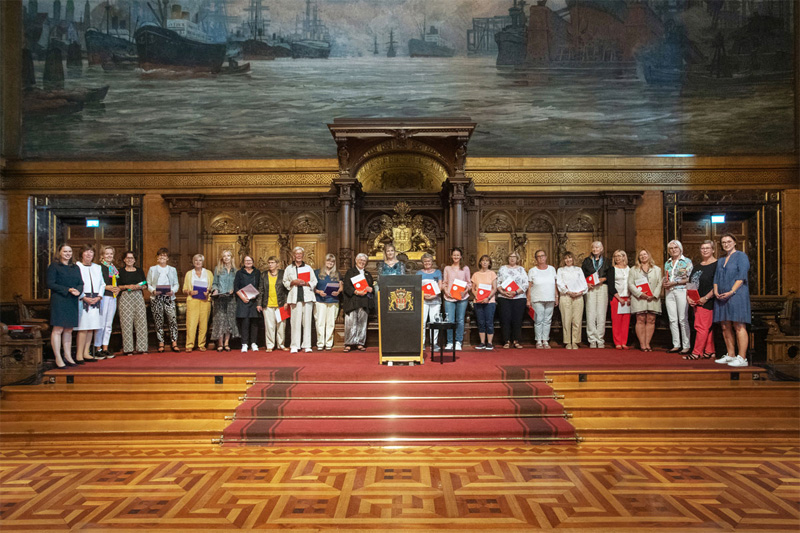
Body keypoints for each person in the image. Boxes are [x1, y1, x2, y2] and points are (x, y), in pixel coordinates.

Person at [713, 233, 751, 367]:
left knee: (739, 325)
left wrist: (731, 291)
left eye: (729, 241)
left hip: (737, 295)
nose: (726, 244)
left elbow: (741, 277)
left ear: (735, 242)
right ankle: (731, 355)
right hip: (722, 297)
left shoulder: (741, 256)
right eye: (723, 242)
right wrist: (716, 291)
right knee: (724, 325)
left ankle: (742, 358)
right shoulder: (721, 260)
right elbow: (716, 278)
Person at [46, 244, 83, 367]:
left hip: (72, 300)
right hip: (60, 299)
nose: (68, 253)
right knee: (58, 329)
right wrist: (67, 289)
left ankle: (68, 356)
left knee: (69, 329)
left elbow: (80, 283)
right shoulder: (54, 266)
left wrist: (78, 291)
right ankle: (58, 358)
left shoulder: (75, 267)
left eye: (70, 251)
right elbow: (50, 283)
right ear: (60, 253)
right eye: (65, 251)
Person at [686, 240, 717, 360]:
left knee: (701, 327)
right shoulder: (697, 266)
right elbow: (691, 284)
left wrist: (706, 298)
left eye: (707, 248)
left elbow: (717, 284)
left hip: (708, 301)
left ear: (713, 250)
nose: (704, 250)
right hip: (696, 301)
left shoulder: (716, 265)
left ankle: (696, 353)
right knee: (706, 327)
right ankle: (709, 351)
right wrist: (688, 297)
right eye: (702, 248)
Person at [283, 246, 318, 353]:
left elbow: (314, 281)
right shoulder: (289, 268)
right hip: (294, 298)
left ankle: (307, 345)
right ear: (293, 256)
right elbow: (285, 282)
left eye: (300, 254)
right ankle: (294, 345)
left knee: (307, 322)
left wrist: (306, 283)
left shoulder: (308, 268)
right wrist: (293, 282)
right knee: (295, 322)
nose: (298, 256)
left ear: (303, 255)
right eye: (296, 254)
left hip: (307, 297)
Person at [75, 245, 105, 363]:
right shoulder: (77, 266)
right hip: (83, 300)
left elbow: (102, 283)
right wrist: (83, 297)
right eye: (86, 252)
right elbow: (76, 283)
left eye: (91, 252)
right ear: (82, 254)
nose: (89, 254)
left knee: (92, 327)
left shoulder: (97, 267)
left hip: (95, 300)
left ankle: (86, 352)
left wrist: (99, 296)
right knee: (83, 328)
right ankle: (79, 354)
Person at [628, 249, 663, 352]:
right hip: (639, 298)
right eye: (641, 255)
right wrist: (640, 294)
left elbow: (659, 283)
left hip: (653, 298)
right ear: (638, 257)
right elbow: (630, 284)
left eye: (645, 254)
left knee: (651, 320)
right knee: (640, 319)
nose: (643, 256)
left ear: (649, 255)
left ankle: (648, 343)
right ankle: (642, 344)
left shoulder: (657, 269)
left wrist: (654, 295)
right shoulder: (633, 269)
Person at [147, 247, 180, 352]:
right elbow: (148, 283)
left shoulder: (172, 269)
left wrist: (173, 291)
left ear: (167, 258)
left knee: (172, 320)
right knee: (158, 321)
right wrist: (153, 291)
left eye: (164, 255)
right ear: (157, 258)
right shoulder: (152, 269)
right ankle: (161, 342)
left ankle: (174, 342)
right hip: (156, 297)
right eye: (160, 255)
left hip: (169, 297)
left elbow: (176, 284)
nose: (162, 257)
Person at [663, 240, 693, 354]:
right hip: (669, 292)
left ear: (680, 248)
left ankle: (686, 345)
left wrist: (675, 283)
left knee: (682, 319)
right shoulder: (668, 262)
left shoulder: (687, 262)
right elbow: (667, 276)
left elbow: (690, 279)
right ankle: (676, 344)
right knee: (672, 319)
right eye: (671, 248)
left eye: (675, 247)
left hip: (681, 290)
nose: (673, 250)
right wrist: (665, 283)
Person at [117, 251, 148, 355]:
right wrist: (127, 286)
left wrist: (140, 286)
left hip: (138, 296)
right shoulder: (120, 272)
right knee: (126, 323)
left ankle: (142, 347)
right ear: (124, 260)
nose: (130, 260)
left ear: (135, 260)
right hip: (125, 297)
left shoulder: (139, 271)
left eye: (132, 258)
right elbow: (117, 286)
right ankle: (128, 349)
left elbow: (145, 283)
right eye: (127, 258)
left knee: (141, 322)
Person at [496, 251, 529, 349]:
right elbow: (498, 283)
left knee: (517, 320)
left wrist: (516, 292)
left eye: (514, 257)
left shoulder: (521, 269)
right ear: (508, 258)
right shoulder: (502, 269)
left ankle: (516, 340)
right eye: (510, 257)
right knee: (505, 319)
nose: (512, 259)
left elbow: (525, 284)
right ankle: (506, 341)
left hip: (518, 298)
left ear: (517, 258)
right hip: (504, 298)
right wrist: (503, 292)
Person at [342, 253, 374, 352]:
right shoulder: (350, 272)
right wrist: (355, 291)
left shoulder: (368, 274)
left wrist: (370, 289)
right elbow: (346, 286)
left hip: (364, 301)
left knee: (362, 323)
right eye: (360, 260)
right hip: (352, 300)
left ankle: (360, 343)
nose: (362, 262)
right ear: (356, 260)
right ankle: (349, 343)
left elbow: (371, 287)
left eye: (364, 261)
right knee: (350, 323)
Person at [257, 256, 289, 352]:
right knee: (269, 326)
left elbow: (287, 289)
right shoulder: (264, 275)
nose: (270, 264)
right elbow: (261, 290)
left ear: (277, 264)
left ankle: (281, 344)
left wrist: (287, 301)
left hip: (281, 304)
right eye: (269, 262)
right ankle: (270, 345)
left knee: (281, 325)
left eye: (272, 262)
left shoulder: (283, 274)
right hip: (267, 304)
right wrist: (259, 303)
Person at [527, 249, 558, 349]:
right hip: (537, 298)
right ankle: (538, 340)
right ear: (536, 259)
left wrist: (556, 297)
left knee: (547, 320)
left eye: (543, 256)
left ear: (546, 257)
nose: (541, 258)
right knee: (538, 320)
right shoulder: (532, 270)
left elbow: (555, 285)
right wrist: (528, 299)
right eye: (539, 256)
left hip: (550, 297)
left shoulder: (552, 269)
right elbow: (529, 286)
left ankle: (545, 340)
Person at [581, 241, 610, 348]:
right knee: (590, 313)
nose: (595, 249)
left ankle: (600, 339)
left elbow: (610, 274)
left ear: (601, 248)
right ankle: (592, 339)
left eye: (597, 247)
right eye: (593, 247)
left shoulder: (607, 260)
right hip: (591, 288)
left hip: (602, 287)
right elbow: (582, 275)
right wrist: (587, 284)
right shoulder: (587, 261)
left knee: (601, 314)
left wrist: (604, 279)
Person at [556, 252, 587, 349]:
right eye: (566, 258)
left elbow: (584, 283)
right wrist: (568, 292)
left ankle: (575, 341)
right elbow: (559, 283)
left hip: (578, 296)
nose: (568, 260)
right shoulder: (560, 270)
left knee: (577, 320)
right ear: (563, 260)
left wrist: (580, 293)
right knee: (566, 320)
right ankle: (567, 341)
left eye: (570, 258)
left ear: (573, 259)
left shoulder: (578, 269)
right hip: (566, 296)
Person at [442, 247, 471, 351]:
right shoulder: (447, 268)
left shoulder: (465, 268)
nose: (456, 257)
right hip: (449, 298)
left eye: (458, 255)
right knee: (450, 320)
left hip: (462, 298)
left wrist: (465, 291)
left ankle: (458, 341)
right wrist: (446, 292)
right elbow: (445, 283)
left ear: (461, 256)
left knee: (460, 320)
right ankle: (450, 342)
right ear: (451, 256)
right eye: (454, 255)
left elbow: (469, 283)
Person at [183, 254, 213, 352]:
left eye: (200, 260)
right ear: (193, 262)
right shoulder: (189, 274)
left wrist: (208, 291)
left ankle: (201, 344)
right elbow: (184, 289)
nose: (198, 262)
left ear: (202, 262)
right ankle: (189, 345)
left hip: (205, 301)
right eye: (196, 260)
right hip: (193, 300)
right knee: (191, 323)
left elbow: (212, 287)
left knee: (204, 324)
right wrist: (190, 292)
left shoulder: (208, 273)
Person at [94, 246, 120, 359]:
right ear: (102, 255)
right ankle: (97, 348)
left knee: (108, 324)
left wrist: (117, 288)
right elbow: (97, 283)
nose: (109, 256)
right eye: (107, 254)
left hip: (113, 297)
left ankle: (105, 348)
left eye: (111, 254)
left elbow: (116, 282)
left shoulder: (113, 268)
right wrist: (108, 287)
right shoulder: (99, 267)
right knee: (101, 323)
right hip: (103, 296)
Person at [210, 249, 238, 352]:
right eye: (224, 256)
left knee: (229, 321)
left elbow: (238, 285)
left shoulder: (235, 271)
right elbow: (214, 283)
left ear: (232, 258)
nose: (226, 258)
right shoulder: (218, 269)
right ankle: (220, 343)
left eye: (228, 256)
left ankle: (227, 343)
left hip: (231, 299)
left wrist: (234, 289)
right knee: (220, 321)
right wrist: (215, 290)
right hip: (220, 298)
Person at [313, 253, 342, 351]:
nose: (330, 263)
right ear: (324, 261)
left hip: (333, 300)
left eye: (332, 261)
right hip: (320, 301)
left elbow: (341, 286)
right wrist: (318, 292)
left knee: (330, 323)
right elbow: (312, 287)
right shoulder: (317, 273)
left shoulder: (337, 273)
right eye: (328, 261)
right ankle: (320, 343)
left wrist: (338, 291)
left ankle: (329, 343)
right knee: (320, 322)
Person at [234, 255, 261, 353]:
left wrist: (256, 294)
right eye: (246, 260)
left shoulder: (257, 272)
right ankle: (244, 343)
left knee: (254, 322)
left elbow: (260, 285)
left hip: (254, 300)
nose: (248, 262)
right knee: (245, 323)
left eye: (250, 260)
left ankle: (254, 343)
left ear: (253, 262)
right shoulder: (239, 273)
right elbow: (236, 287)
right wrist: (242, 297)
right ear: (243, 262)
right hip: (243, 300)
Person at [417, 253, 443, 350]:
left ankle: (434, 343)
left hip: (435, 300)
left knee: (434, 321)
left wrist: (434, 295)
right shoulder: (419, 273)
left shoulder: (438, 273)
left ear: (432, 262)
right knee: (422, 322)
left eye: (429, 261)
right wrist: (424, 295)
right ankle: (422, 343)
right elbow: (417, 287)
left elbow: (440, 286)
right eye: (425, 261)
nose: (427, 263)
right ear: (422, 262)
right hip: (423, 300)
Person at [471, 254, 497, 350]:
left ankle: (489, 343)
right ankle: (482, 342)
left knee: (489, 322)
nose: (485, 262)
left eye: (487, 261)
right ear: (480, 262)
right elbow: (473, 289)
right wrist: (477, 296)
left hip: (489, 302)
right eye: (483, 260)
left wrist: (488, 298)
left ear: (489, 263)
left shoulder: (492, 274)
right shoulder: (475, 275)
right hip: (478, 301)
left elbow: (494, 288)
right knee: (480, 322)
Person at [607, 250, 632, 350]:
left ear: (624, 257)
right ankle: (617, 342)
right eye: (615, 256)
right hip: (617, 297)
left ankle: (623, 342)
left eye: (619, 256)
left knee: (626, 321)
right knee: (616, 321)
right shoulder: (612, 269)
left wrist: (630, 296)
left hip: (628, 298)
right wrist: (619, 298)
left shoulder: (630, 269)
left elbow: (632, 283)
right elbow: (611, 286)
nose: (617, 258)